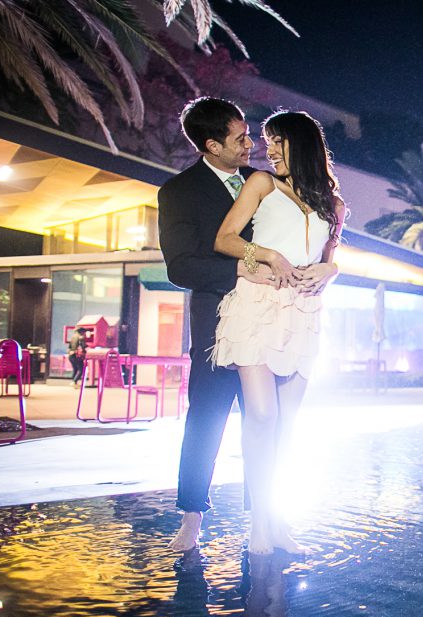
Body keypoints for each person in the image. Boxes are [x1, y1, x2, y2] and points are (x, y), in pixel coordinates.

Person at [213, 110, 344, 554]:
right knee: (263, 416)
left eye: (279, 142)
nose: (269, 150)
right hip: (257, 307)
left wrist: (332, 268)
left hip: (304, 313)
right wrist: (267, 255)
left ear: (302, 143)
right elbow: (225, 238)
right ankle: (258, 525)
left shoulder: (334, 204)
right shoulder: (261, 184)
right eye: (267, 142)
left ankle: (278, 519)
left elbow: (331, 258)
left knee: (287, 426)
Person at [158, 97, 277, 552]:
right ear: (211, 145)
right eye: (240, 137)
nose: (250, 144)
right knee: (205, 420)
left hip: (266, 323)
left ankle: (263, 519)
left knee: (264, 422)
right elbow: (180, 266)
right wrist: (237, 270)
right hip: (214, 329)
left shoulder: (263, 183)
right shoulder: (179, 192)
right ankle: (191, 518)